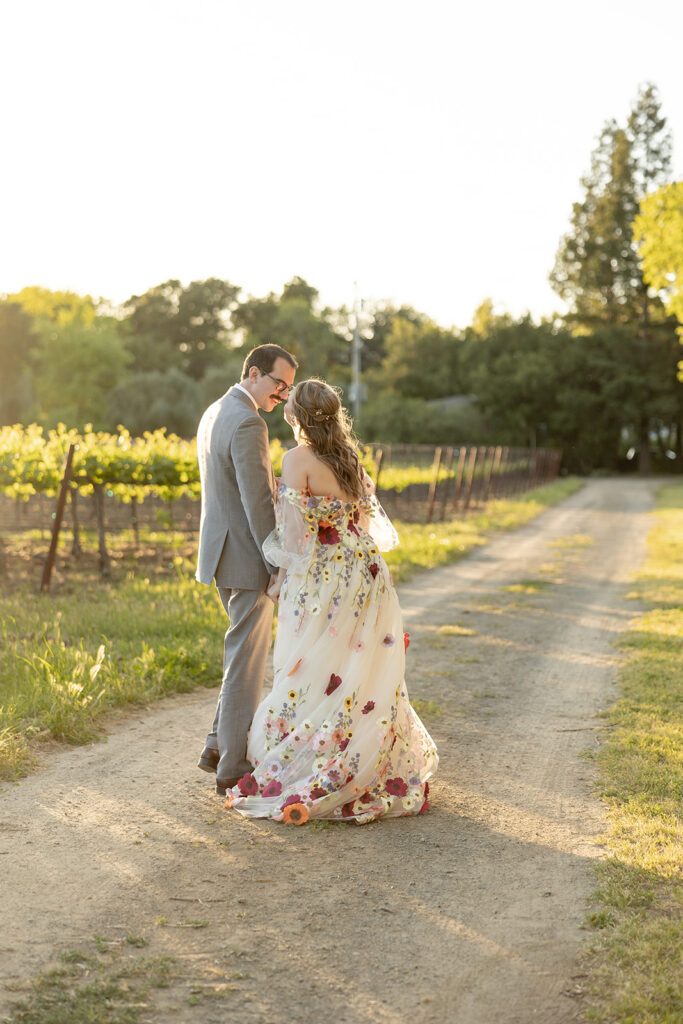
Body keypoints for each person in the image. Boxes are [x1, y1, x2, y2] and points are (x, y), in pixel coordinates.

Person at [223, 378, 438, 825]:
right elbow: (361, 518)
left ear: (294, 415)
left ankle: (315, 756)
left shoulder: (296, 459)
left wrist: (279, 576)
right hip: (366, 569)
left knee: (315, 661)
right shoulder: (350, 458)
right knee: (358, 663)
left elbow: (295, 536)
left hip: (325, 574)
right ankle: (363, 753)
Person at [195, 343, 298, 796]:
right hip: (246, 558)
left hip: (219, 554)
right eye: (279, 384)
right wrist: (276, 563)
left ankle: (218, 745)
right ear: (254, 373)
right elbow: (257, 502)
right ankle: (233, 768)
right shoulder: (249, 421)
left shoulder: (214, 411)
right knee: (245, 664)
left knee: (240, 654)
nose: (282, 395)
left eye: (288, 389)